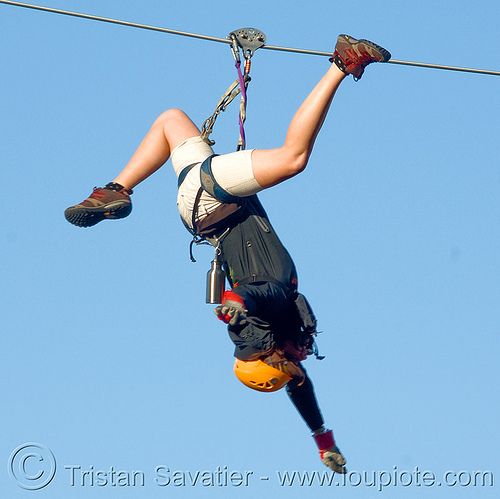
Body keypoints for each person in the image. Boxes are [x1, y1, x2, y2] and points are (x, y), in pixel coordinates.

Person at [64, 35, 391, 473]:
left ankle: (341, 63)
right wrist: (321, 438)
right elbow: (300, 389)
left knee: (293, 159)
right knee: (171, 120)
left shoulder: (272, 303)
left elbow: (254, 296)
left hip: (211, 200)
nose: (302, 358)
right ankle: (115, 190)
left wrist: (233, 307)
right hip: (199, 207)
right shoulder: (278, 328)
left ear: (274, 352)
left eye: (293, 362)